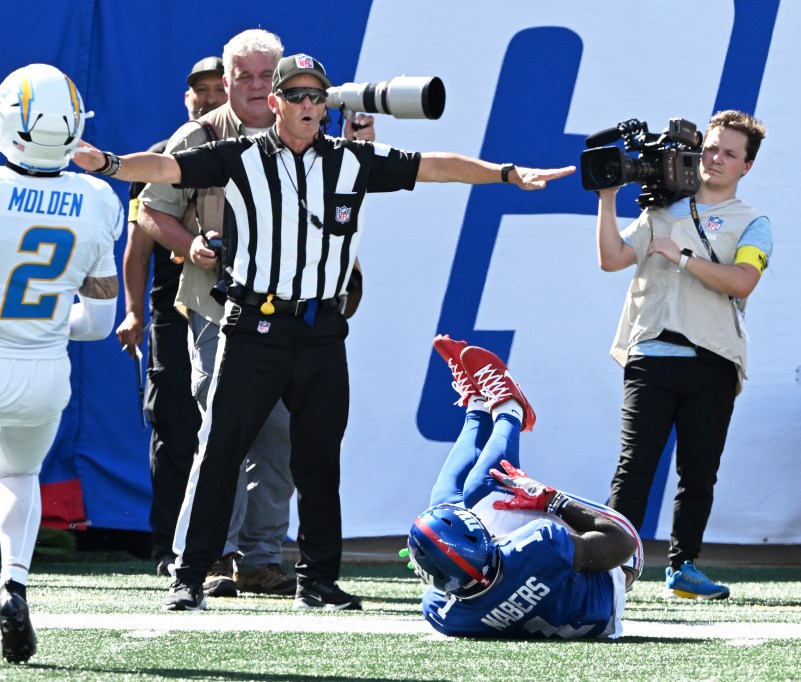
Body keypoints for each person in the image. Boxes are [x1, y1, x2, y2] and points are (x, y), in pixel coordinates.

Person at [72, 52, 575, 612]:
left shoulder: (351, 160)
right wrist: (108, 163)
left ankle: (317, 580)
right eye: (297, 95)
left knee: (317, 459)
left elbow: (433, 166)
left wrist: (506, 174)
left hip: (321, 331)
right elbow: (166, 169)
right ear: (276, 103)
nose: (309, 104)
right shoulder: (240, 156)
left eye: (317, 95)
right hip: (254, 326)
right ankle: (189, 576)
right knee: (220, 452)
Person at [136, 30, 370, 599]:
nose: (259, 86)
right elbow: (149, 209)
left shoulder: (313, 137)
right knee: (224, 433)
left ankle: (262, 557)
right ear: (228, 80)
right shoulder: (201, 134)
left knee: (284, 435)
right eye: (246, 76)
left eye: (269, 76)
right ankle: (212, 556)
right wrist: (191, 244)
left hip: (293, 316)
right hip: (218, 308)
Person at [596, 110, 770, 600]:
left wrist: (684, 257)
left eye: (729, 153)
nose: (715, 159)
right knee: (634, 466)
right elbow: (611, 259)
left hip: (713, 359)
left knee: (698, 471)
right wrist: (607, 199)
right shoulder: (659, 213)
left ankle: (683, 567)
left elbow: (743, 281)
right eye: (711, 148)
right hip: (651, 354)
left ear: (746, 166)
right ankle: (611, 568)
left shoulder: (753, 222)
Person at [0, 64, 122, 663]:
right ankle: (12, 584)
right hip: (45, 369)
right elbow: (97, 322)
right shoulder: (97, 200)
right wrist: (45, 327)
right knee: (18, 476)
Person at [407, 336, 642, 639]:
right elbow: (624, 545)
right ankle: (511, 406)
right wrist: (553, 500)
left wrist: (431, 558)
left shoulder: (443, 614)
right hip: (614, 566)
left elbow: (450, 584)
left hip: (571, 609)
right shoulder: (537, 546)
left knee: (443, 505)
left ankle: (477, 404)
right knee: (485, 490)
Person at [115, 56, 226, 578]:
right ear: (187, 98)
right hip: (172, 312)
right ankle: (168, 546)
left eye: (217, 88)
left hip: (235, 309)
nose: (208, 98)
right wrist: (133, 311)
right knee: (176, 426)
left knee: (232, 429)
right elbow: (137, 248)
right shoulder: (161, 157)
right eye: (200, 90)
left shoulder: (255, 152)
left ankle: (227, 548)